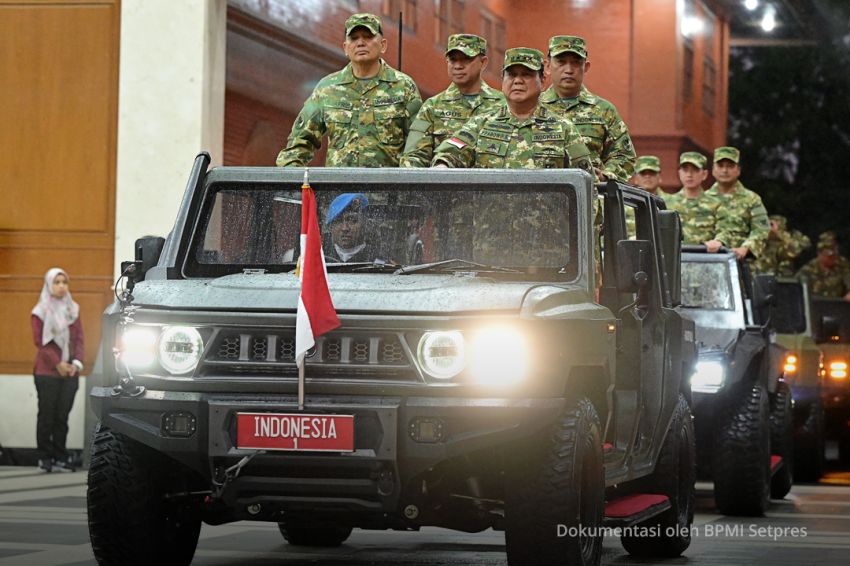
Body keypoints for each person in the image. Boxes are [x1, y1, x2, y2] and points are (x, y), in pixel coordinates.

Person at [276, 13, 422, 168]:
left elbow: (419, 144)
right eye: (354, 38)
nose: (360, 43)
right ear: (345, 48)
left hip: (388, 190)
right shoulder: (328, 88)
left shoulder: (403, 87)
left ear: (383, 45)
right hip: (340, 190)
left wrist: (406, 185)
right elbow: (299, 143)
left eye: (368, 36)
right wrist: (295, 181)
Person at [431, 47, 593, 172]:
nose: (518, 81)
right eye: (512, 75)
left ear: (542, 81)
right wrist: (443, 165)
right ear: (503, 80)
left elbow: (586, 183)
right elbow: (450, 153)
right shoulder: (480, 124)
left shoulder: (564, 129)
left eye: (526, 75)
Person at [400, 34, 505, 167]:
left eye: (466, 60)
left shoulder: (502, 105)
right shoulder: (432, 107)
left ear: (483, 62)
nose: (458, 66)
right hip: (443, 184)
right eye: (453, 60)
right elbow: (413, 156)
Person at [541, 35, 635, 182]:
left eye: (576, 63)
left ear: (586, 67)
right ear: (547, 67)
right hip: (541, 195)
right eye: (561, 62)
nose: (569, 70)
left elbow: (624, 156)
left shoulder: (604, 111)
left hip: (590, 197)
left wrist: (606, 175)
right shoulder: (533, 107)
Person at [31, 268, 84, 473]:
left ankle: (60, 457)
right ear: (49, 285)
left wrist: (77, 363)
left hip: (71, 371)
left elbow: (80, 339)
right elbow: (40, 342)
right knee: (47, 415)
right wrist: (58, 364)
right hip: (47, 373)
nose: (61, 286)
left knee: (62, 416)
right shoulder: (40, 311)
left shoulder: (73, 309)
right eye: (57, 282)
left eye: (65, 282)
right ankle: (44, 457)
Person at [707, 146, 770, 260]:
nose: (725, 170)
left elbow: (762, 229)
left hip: (741, 263)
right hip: (708, 263)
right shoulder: (703, 199)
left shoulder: (752, 199)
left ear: (738, 170)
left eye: (730, 166)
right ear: (713, 170)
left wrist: (746, 248)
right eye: (720, 166)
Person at [665, 152, 724, 250]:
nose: (689, 175)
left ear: (704, 174)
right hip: (673, 261)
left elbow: (725, 230)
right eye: (685, 170)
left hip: (703, 260)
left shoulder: (716, 204)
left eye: (695, 170)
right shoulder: (667, 204)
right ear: (679, 173)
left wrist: (718, 241)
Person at [324, 193, 384, 263]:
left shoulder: (378, 263)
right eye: (338, 221)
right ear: (331, 227)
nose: (345, 228)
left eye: (353, 221)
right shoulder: (319, 258)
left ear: (365, 225)